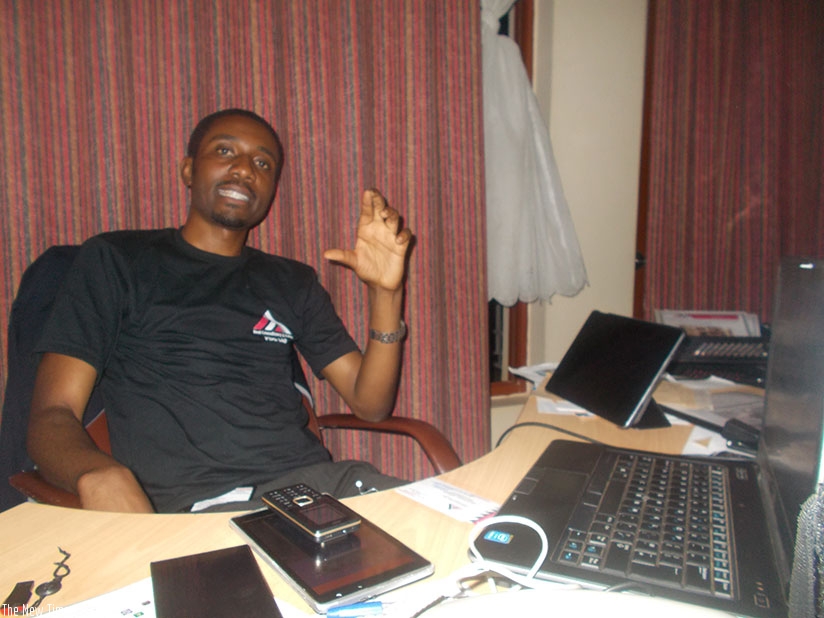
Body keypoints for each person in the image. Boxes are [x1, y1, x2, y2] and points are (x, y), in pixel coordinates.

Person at [26, 108, 413, 513]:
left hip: (319, 490)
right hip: (204, 509)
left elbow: (370, 404)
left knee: (458, 528)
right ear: (189, 170)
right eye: (225, 150)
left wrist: (385, 294)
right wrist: (98, 475)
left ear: (272, 188)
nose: (245, 169)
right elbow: (53, 414)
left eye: (262, 162)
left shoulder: (291, 281)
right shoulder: (117, 260)